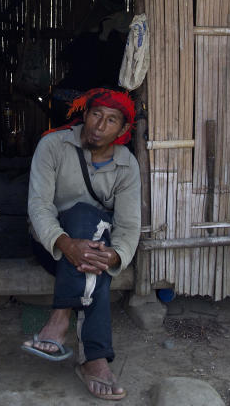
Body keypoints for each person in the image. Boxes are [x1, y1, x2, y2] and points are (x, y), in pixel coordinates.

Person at [21, 88, 141, 401]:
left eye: (111, 120)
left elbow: (129, 226)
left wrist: (115, 255)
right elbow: (39, 207)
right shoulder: (53, 146)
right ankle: (95, 360)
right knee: (81, 216)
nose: (100, 126)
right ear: (84, 115)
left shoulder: (127, 165)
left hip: (97, 254)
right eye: (96, 115)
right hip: (52, 247)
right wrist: (64, 242)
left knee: (93, 249)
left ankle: (60, 318)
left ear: (123, 130)